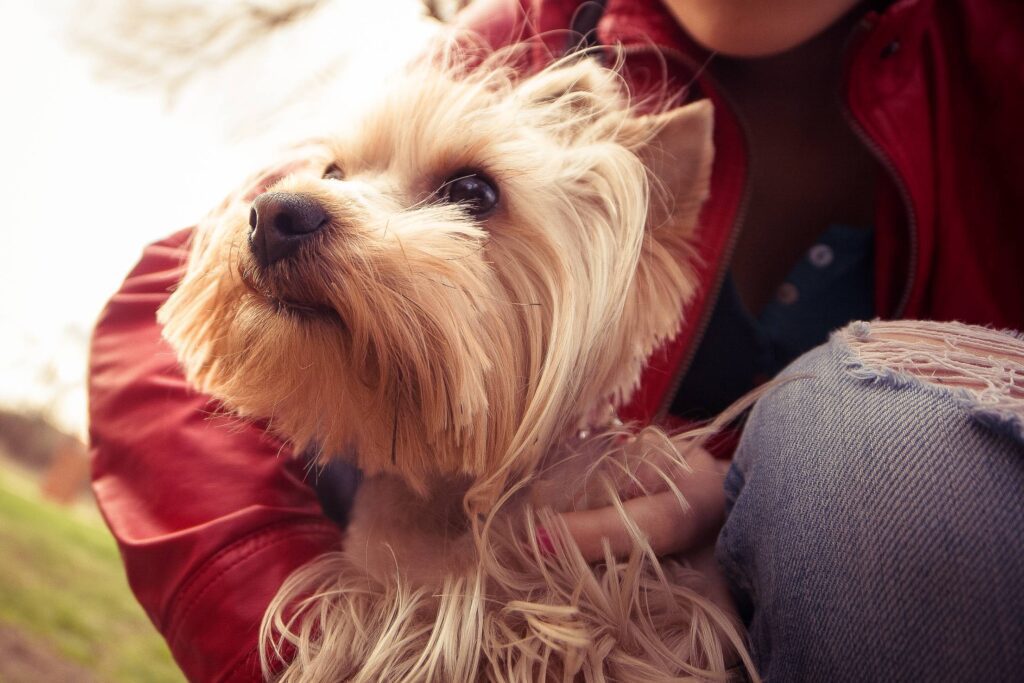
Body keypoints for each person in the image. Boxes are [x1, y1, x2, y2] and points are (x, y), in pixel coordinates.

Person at [88, 0, 1024, 680]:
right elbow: (167, 315)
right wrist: (302, 643)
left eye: (467, 194)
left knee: (881, 457)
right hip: (450, 548)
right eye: (335, 169)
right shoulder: (525, 34)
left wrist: (739, 479)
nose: (311, 199)